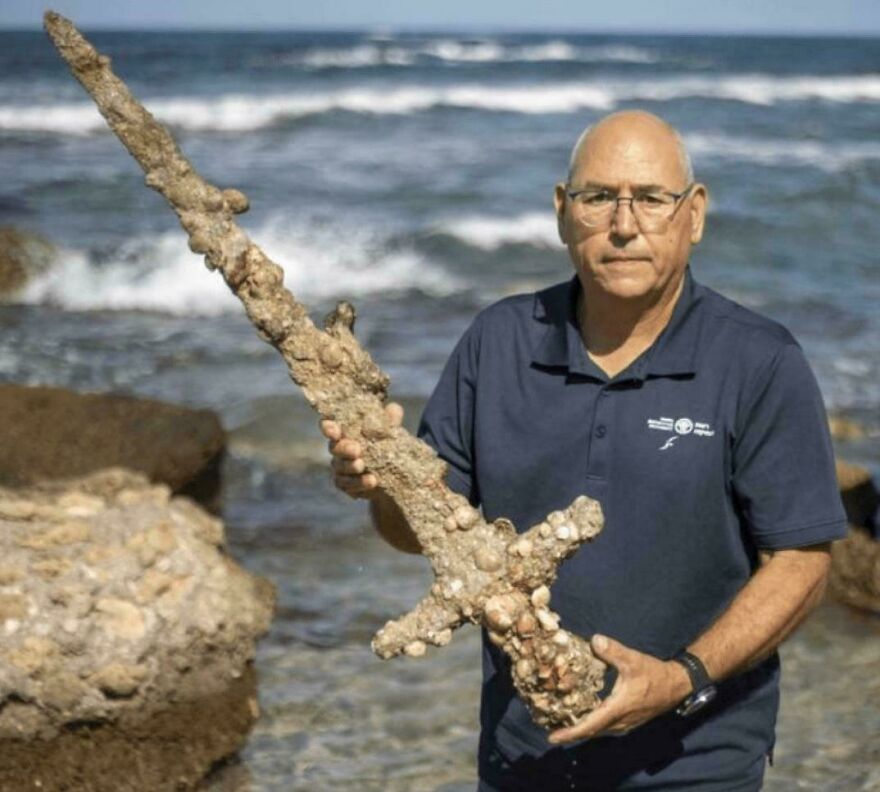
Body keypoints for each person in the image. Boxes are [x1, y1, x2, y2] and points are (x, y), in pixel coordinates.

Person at [320, 110, 847, 790]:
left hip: (698, 762)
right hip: (525, 760)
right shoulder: (498, 342)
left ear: (695, 214)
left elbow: (802, 562)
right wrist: (383, 482)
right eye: (599, 197)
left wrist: (680, 677)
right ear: (563, 211)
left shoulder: (760, 361)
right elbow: (417, 535)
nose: (624, 225)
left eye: (652, 198)